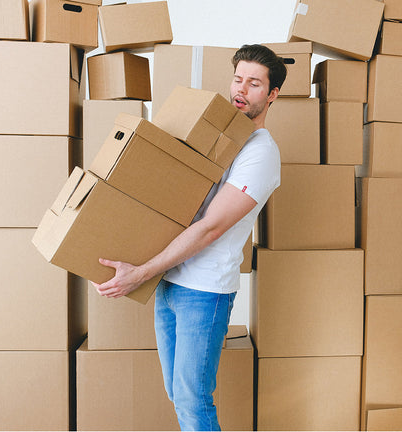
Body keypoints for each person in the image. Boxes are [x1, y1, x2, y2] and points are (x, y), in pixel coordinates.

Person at [91, 44, 287, 431]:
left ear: (272, 94)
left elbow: (212, 225)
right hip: (169, 280)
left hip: (204, 289)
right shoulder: (215, 137)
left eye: (254, 83)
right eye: (237, 79)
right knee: (176, 391)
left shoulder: (261, 153)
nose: (241, 89)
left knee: (192, 398)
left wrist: (141, 271)